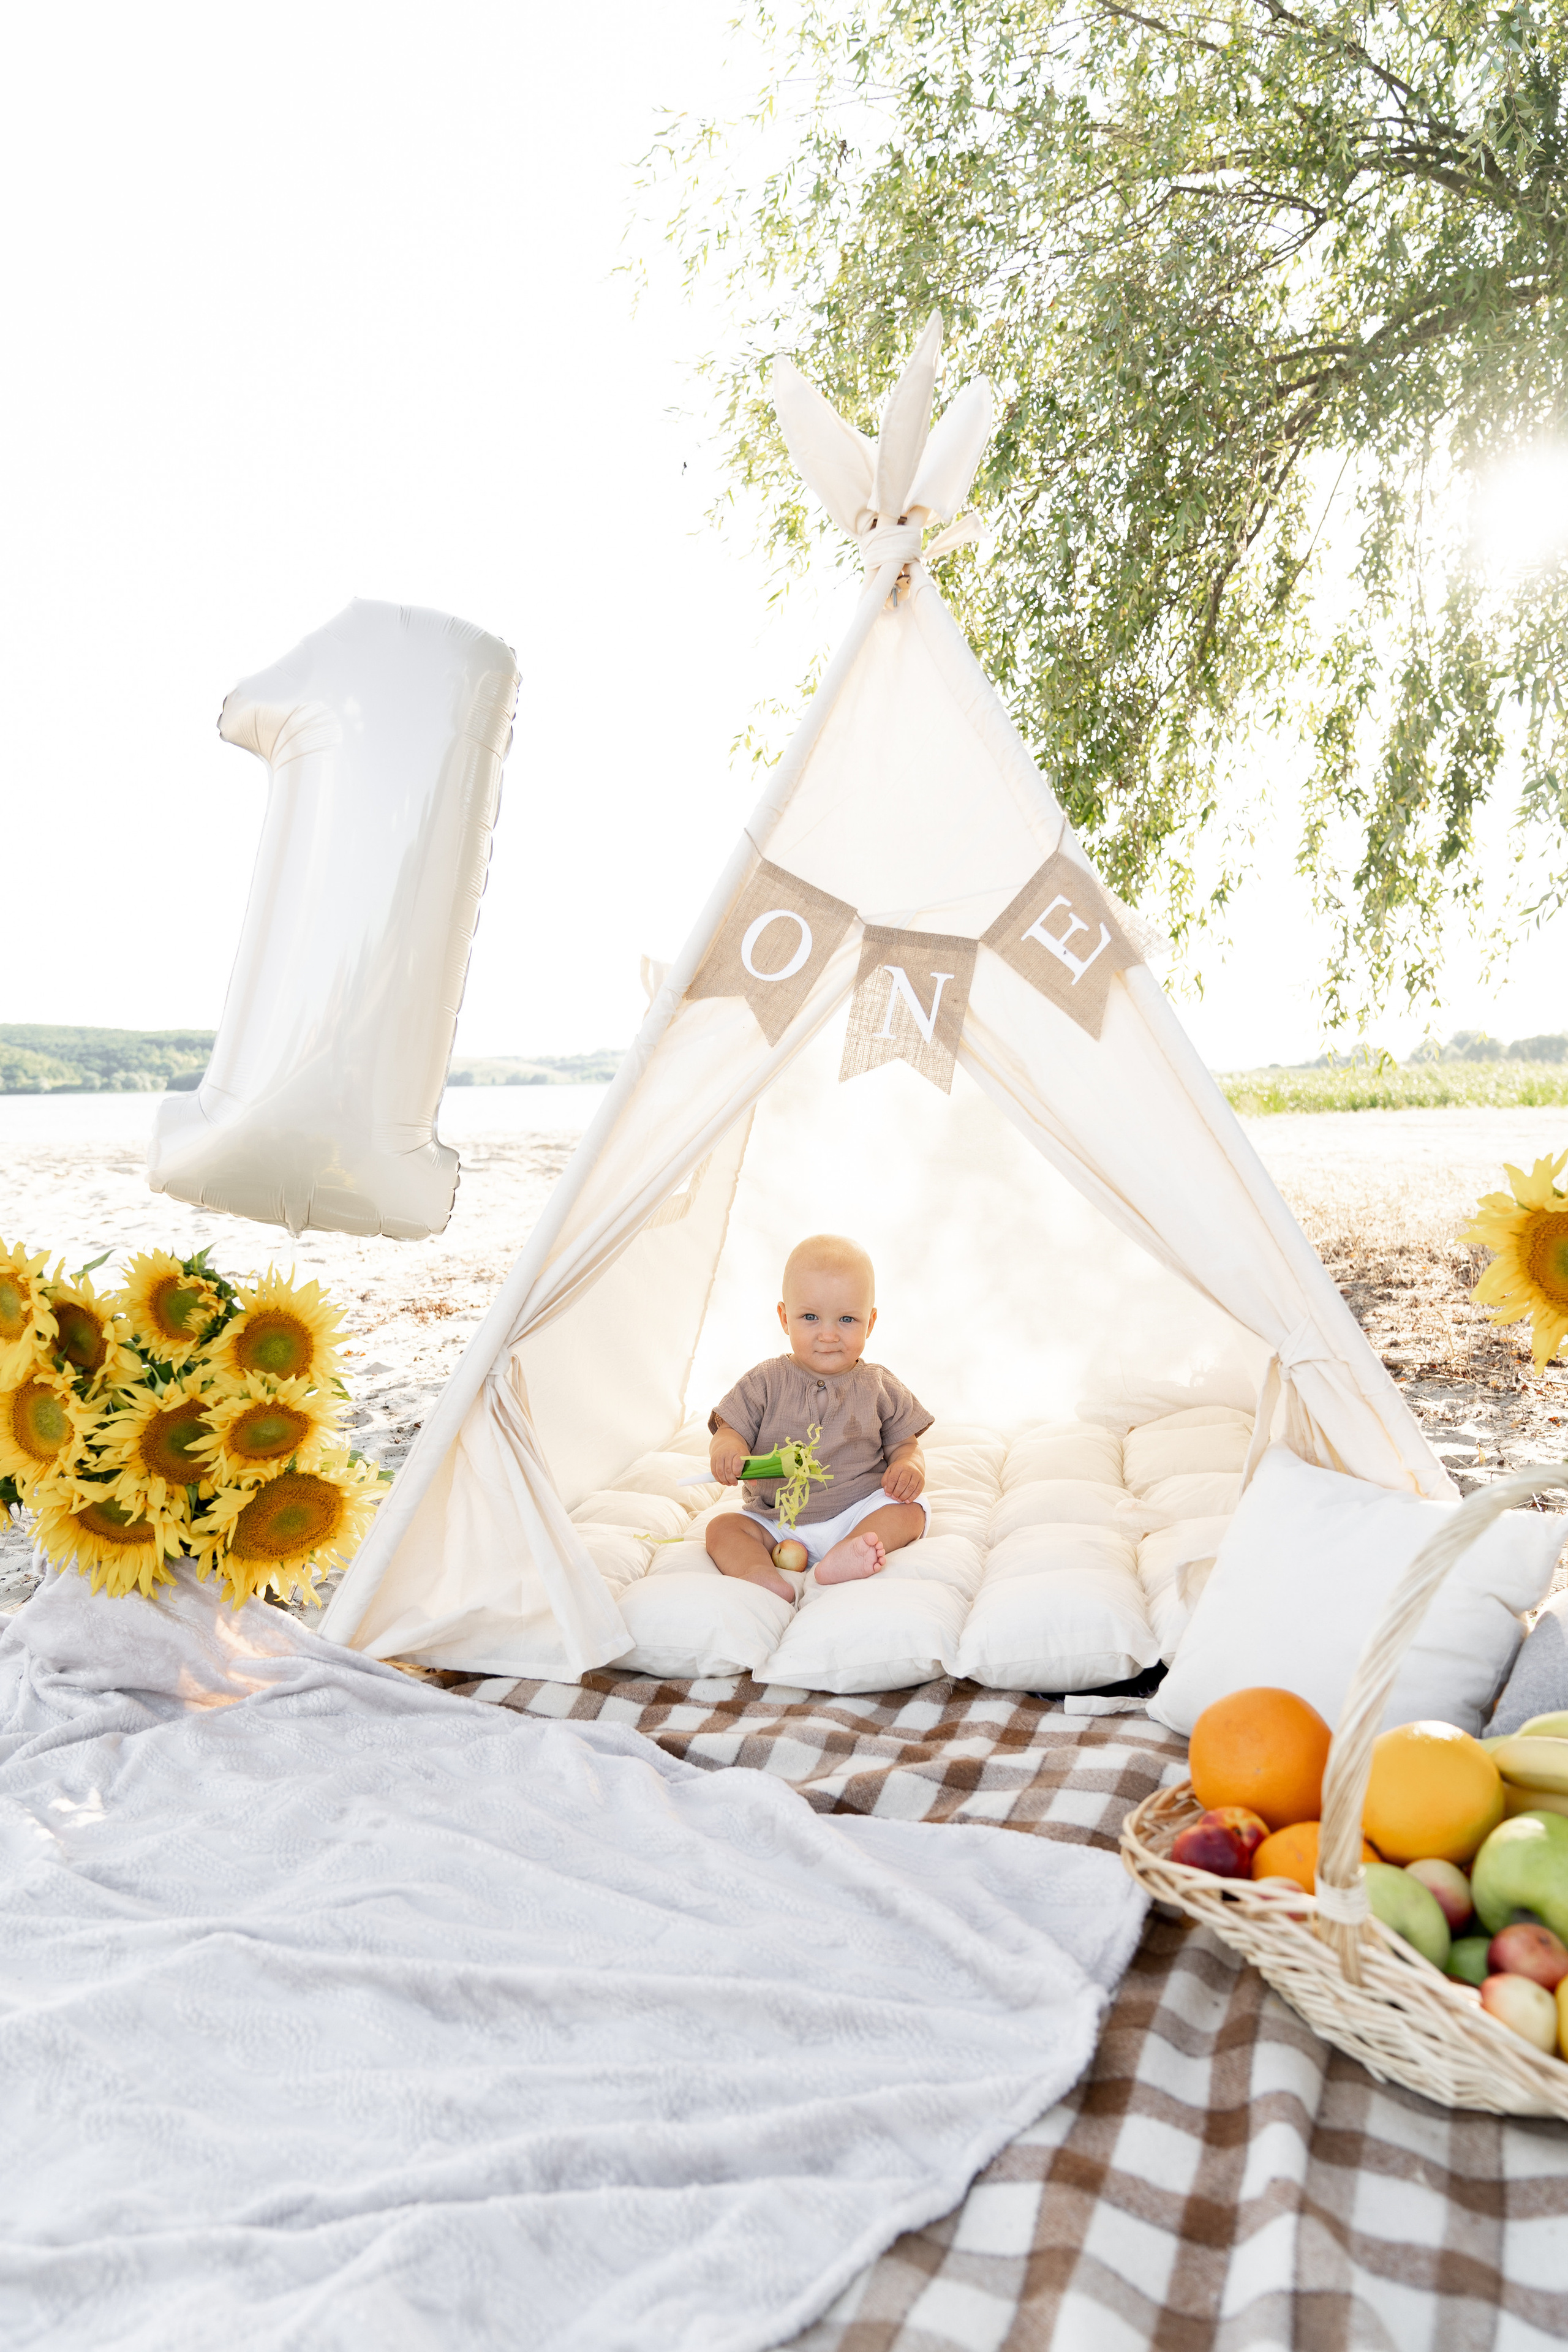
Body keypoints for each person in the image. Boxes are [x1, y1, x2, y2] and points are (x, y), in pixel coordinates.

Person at [706, 1234, 932, 1600]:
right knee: (722, 1528)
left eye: (847, 1319)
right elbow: (730, 1429)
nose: (828, 1335)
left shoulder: (878, 1384)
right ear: (784, 1318)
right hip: (778, 1521)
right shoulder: (765, 1381)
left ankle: (848, 1553)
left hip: (856, 1512)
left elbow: (906, 1444)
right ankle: (757, 1571)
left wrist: (910, 1466)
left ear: (870, 1323)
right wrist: (727, 1448)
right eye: (810, 1317)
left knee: (911, 1511)